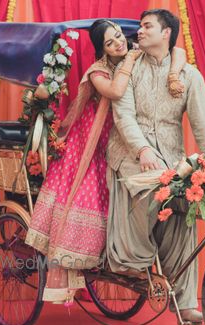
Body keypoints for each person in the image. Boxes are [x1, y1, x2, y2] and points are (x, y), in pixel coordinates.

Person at [25, 19, 186, 304]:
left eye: (118, 37)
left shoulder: (135, 54)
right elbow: (116, 92)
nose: (118, 44)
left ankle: (121, 258)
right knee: (90, 197)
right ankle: (79, 257)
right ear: (102, 49)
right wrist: (131, 58)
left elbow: (178, 51)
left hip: (123, 139)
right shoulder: (98, 70)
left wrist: (173, 73)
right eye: (110, 42)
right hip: (91, 140)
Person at [106, 9, 205, 324]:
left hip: (171, 160)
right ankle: (133, 257)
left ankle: (184, 301)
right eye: (140, 27)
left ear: (166, 32)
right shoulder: (128, 70)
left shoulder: (189, 76)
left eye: (147, 27)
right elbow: (123, 116)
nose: (139, 32)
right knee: (155, 188)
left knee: (185, 206)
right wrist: (141, 148)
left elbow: (204, 127)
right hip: (130, 157)